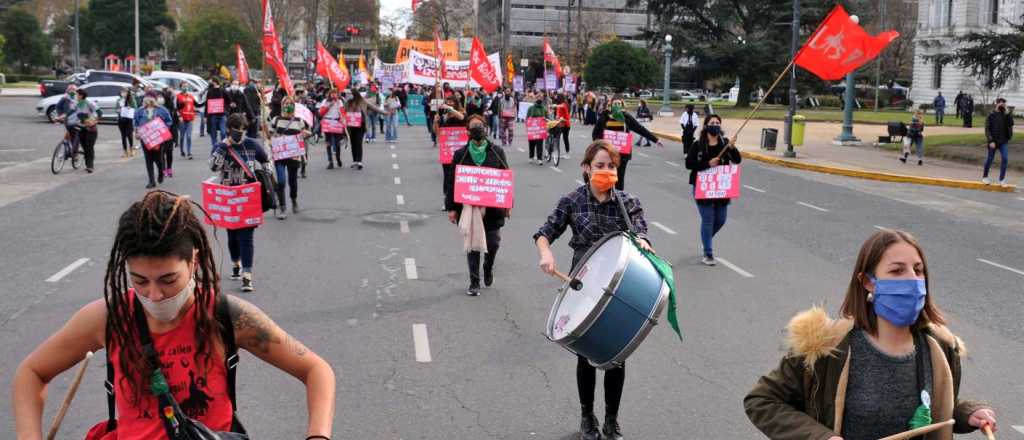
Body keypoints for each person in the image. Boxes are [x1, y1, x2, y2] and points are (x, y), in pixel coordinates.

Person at [12, 191, 336, 439]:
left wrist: (318, 436)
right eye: (140, 281)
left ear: (194, 261)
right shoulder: (108, 319)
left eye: (168, 280)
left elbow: (315, 370)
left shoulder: (227, 315)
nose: (154, 295)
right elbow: (32, 373)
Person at [744, 230, 997, 440]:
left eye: (918, 270)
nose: (912, 280)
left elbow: (934, 407)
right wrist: (821, 437)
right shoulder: (826, 345)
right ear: (868, 282)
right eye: (897, 271)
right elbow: (762, 400)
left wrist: (968, 413)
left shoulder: (940, 346)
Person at [534, 140, 653, 440]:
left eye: (611, 166)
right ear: (586, 168)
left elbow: (641, 232)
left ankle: (612, 421)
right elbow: (544, 233)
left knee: (616, 355)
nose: (606, 171)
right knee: (585, 355)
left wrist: (643, 242)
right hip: (583, 285)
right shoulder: (571, 201)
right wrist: (546, 254)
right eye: (599, 165)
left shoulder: (627, 202)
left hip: (618, 287)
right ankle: (587, 417)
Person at [444, 115, 510, 296]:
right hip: (469, 208)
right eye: (473, 127)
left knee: (493, 243)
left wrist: (508, 203)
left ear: (485, 129)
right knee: (472, 245)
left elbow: (506, 177)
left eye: (479, 126)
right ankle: (474, 282)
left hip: (493, 208)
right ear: (467, 131)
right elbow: (451, 182)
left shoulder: (497, 151)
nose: (477, 129)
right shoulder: (460, 154)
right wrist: (451, 208)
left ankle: (488, 267)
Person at [210, 114, 271, 291]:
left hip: (249, 197)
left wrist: (265, 176)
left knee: (246, 237)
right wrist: (224, 147)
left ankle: (247, 275)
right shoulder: (220, 146)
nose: (240, 133)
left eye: (243, 129)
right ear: (229, 129)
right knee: (232, 237)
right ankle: (236, 263)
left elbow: (266, 160)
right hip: (228, 198)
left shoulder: (252, 144)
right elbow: (213, 166)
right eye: (236, 129)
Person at [685, 114, 741, 266]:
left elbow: (737, 160)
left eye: (717, 123)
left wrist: (732, 148)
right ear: (706, 126)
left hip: (721, 187)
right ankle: (708, 253)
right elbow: (688, 164)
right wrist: (707, 164)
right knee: (708, 219)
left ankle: (706, 239)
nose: (715, 125)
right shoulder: (698, 145)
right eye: (712, 122)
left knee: (721, 220)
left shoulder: (725, 143)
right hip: (702, 187)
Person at [592, 97, 663, 190]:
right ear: (611, 105)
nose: (617, 106)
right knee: (608, 176)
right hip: (608, 152)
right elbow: (596, 133)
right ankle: (607, 195)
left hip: (623, 153)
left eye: (619, 104)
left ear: (622, 105)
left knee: (620, 178)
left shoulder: (626, 117)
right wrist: (599, 146)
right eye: (615, 104)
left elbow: (639, 128)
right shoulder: (605, 116)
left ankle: (619, 197)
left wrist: (655, 140)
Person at [266, 96, 310, 219]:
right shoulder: (276, 119)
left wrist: (306, 134)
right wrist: (271, 134)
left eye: (290, 103)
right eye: (285, 103)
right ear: (282, 105)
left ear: (293, 106)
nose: (287, 105)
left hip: (293, 155)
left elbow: (305, 133)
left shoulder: (299, 121)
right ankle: (283, 207)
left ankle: (294, 199)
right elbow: (270, 133)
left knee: (292, 181)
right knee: (281, 181)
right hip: (280, 155)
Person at [134, 95, 173, 188]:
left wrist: (163, 130)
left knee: (158, 159)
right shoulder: (140, 110)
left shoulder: (161, 109)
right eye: (145, 99)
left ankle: (161, 172)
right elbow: (136, 122)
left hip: (157, 138)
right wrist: (137, 132)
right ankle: (151, 181)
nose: (147, 101)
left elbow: (169, 121)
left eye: (149, 99)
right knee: (148, 159)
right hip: (146, 138)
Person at [344, 88, 389, 170]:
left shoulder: (363, 102)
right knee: (353, 143)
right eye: (348, 94)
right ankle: (354, 161)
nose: (349, 95)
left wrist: (385, 113)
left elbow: (374, 108)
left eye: (350, 94)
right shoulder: (348, 103)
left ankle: (359, 161)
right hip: (351, 126)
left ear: (355, 94)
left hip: (360, 125)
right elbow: (343, 111)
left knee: (358, 142)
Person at [436, 95, 467, 209]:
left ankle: (461, 199)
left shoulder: (461, 113)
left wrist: (450, 109)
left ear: (456, 103)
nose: (449, 103)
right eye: (447, 102)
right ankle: (448, 201)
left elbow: (462, 118)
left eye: (451, 102)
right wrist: (435, 122)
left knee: (459, 175)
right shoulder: (444, 117)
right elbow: (438, 133)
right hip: (447, 151)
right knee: (448, 176)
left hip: (460, 151)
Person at [983, 98, 1014, 187]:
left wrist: (1007, 112)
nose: (1002, 105)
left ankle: (1002, 179)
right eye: (1000, 103)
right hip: (993, 142)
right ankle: (985, 177)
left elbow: (1011, 123)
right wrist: (990, 141)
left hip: (1003, 141)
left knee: (1005, 158)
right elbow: (987, 129)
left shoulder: (1006, 114)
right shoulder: (991, 115)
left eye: (1003, 103)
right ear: (996, 104)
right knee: (990, 159)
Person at [71, 88, 101, 173]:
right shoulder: (77, 104)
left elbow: (99, 112)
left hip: (91, 129)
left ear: (81, 96)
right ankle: (88, 161)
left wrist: (94, 121)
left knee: (89, 147)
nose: (75, 96)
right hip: (81, 128)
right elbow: (70, 113)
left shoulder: (89, 103)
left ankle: (90, 166)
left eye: (77, 95)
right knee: (85, 147)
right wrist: (63, 118)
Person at [318, 89, 346, 169]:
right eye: (332, 93)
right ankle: (330, 161)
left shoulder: (339, 102)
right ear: (329, 94)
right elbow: (321, 113)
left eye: (335, 93)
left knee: (337, 143)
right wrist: (329, 105)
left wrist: (343, 119)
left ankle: (338, 158)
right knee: (328, 143)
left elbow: (343, 112)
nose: (334, 95)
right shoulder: (325, 101)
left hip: (337, 122)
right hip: (327, 122)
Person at [201, 78, 229, 149]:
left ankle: (223, 146)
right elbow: (207, 104)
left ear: (215, 82)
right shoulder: (210, 91)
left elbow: (228, 100)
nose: (210, 83)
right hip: (213, 115)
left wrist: (225, 108)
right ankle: (215, 146)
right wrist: (205, 116)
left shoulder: (223, 90)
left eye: (211, 81)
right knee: (213, 132)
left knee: (223, 132)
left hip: (222, 114)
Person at [160, 86, 179, 178]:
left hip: (170, 134)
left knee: (168, 152)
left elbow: (175, 124)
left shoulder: (172, 110)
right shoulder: (158, 109)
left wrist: (176, 138)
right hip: (161, 134)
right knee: (162, 153)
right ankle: (163, 169)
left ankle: (169, 168)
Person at [177, 84, 198, 160]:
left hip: (190, 118)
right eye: (184, 86)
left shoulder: (191, 96)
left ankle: (189, 152)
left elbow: (197, 105)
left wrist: (206, 100)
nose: (185, 87)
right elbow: (176, 107)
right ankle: (182, 150)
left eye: (186, 86)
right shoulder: (178, 96)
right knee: (182, 136)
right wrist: (179, 116)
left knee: (189, 136)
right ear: (180, 87)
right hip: (182, 119)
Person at [117, 88, 138, 158]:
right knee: (123, 136)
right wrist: (119, 110)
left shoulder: (132, 100)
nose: (123, 93)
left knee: (129, 135)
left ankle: (131, 149)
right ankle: (125, 151)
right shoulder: (119, 100)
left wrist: (130, 108)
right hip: (121, 119)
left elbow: (135, 109)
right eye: (122, 91)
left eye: (125, 92)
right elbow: (116, 109)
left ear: (128, 93)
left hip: (129, 120)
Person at [526, 98, 547, 165]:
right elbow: (527, 117)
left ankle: (539, 159)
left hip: (540, 129)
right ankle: (531, 157)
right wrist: (528, 121)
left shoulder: (544, 108)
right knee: (532, 143)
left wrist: (545, 119)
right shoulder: (531, 108)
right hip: (533, 128)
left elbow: (546, 117)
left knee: (540, 144)